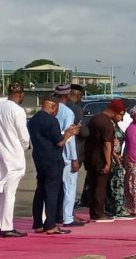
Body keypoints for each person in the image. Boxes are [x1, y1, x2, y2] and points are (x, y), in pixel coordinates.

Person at [28, 96, 79, 234]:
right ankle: (50, 224)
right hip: (52, 160)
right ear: (54, 107)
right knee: (52, 192)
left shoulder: (33, 120)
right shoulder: (51, 121)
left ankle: (37, 223)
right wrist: (69, 133)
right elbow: (59, 142)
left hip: (39, 158)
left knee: (40, 191)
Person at [85, 99, 126, 222]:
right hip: (101, 158)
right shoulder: (107, 123)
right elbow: (107, 144)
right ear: (117, 111)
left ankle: (94, 212)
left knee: (93, 185)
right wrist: (108, 162)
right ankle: (99, 213)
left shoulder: (95, 118)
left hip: (90, 156)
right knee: (100, 186)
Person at [0, 83, 30, 237]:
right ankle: (6, 226)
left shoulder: (1, 106)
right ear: (20, 94)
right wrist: (25, 146)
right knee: (9, 194)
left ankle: (2, 224)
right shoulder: (17, 111)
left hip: (1, 155)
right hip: (13, 156)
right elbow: (24, 137)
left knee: (2, 192)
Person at [53, 84, 82, 228]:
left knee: (54, 188)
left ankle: (53, 217)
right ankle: (68, 218)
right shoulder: (67, 112)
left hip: (53, 153)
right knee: (69, 187)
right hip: (66, 155)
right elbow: (69, 138)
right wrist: (74, 158)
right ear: (67, 95)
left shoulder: (50, 110)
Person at [104, 110, 132, 220]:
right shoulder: (110, 125)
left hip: (117, 156)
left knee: (116, 183)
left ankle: (114, 208)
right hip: (113, 158)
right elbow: (109, 143)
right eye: (120, 114)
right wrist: (115, 156)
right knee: (116, 183)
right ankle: (117, 209)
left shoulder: (115, 125)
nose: (121, 117)